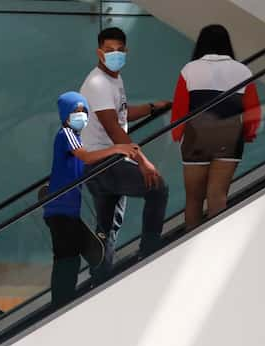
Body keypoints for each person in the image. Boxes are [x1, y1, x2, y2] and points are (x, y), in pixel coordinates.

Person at [80, 27, 171, 281]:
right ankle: (150, 252)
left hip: (105, 162)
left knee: (109, 225)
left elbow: (120, 113)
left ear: (126, 51)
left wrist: (152, 108)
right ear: (99, 52)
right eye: (109, 51)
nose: (115, 55)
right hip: (103, 161)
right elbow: (113, 128)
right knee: (157, 187)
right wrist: (143, 161)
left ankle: (100, 276)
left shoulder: (113, 79)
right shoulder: (97, 83)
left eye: (120, 50)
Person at [44, 91, 142, 306]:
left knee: (70, 256)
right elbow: (87, 157)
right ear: (65, 114)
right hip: (59, 209)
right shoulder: (66, 134)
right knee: (66, 257)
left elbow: (86, 165)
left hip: (69, 210)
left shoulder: (76, 138)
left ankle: (64, 300)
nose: (81, 116)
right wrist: (117, 147)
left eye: (83, 111)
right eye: (76, 112)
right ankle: (60, 303)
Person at [170, 24, 261, 230]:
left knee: (193, 199)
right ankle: (213, 245)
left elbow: (180, 109)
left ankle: (189, 242)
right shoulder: (243, 70)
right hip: (229, 137)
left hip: (196, 137)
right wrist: (248, 134)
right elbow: (253, 109)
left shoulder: (190, 69)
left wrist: (177, 135)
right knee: (218, 196)